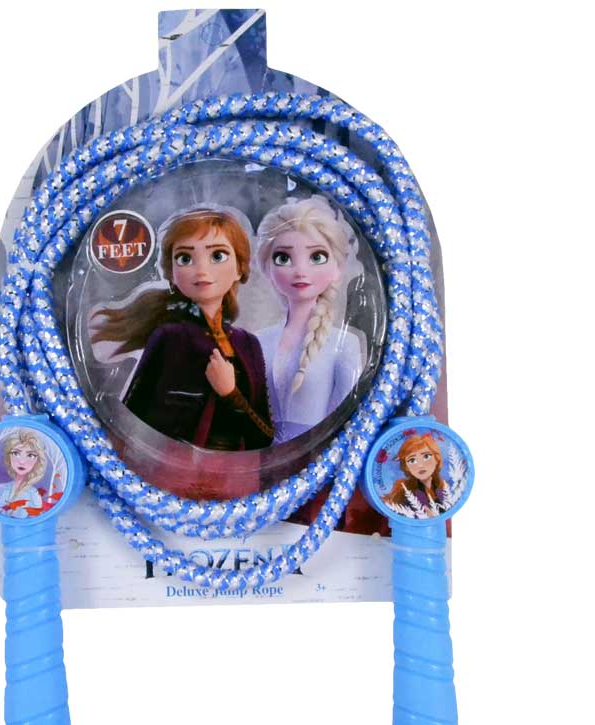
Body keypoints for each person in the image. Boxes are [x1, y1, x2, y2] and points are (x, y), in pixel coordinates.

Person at [91, 208, 273, 451]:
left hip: (238, 468)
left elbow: (263, 437)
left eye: (217, 255)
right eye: (185, 258)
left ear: (240, 268)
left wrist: (230, 393)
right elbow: (135, 417)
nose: (201, 270)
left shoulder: (248, 343)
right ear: (172, 274)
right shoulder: (171, 338)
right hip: (177, 465)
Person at [256, 195, 365, 443]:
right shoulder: (258, 341)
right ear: (267, 268)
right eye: (283, 258)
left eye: (317, 257)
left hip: (321, 453)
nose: (300, 271)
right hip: (262, 454)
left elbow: (348, 418)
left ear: (338, 268)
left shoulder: (344, 344)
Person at [382, 433, 447, 518]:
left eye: (426, 456)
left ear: (437, 459)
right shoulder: (403, 492)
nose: (420, 465)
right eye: (412, 460)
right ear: (406, 467)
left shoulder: (444, 488)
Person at [0, 430, 47, 518]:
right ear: (9, 457)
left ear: (37, 461)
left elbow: (35, 518)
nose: (22, 461)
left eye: (30, 455)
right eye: (16, 453)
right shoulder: (2, 488)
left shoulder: (33, 494)